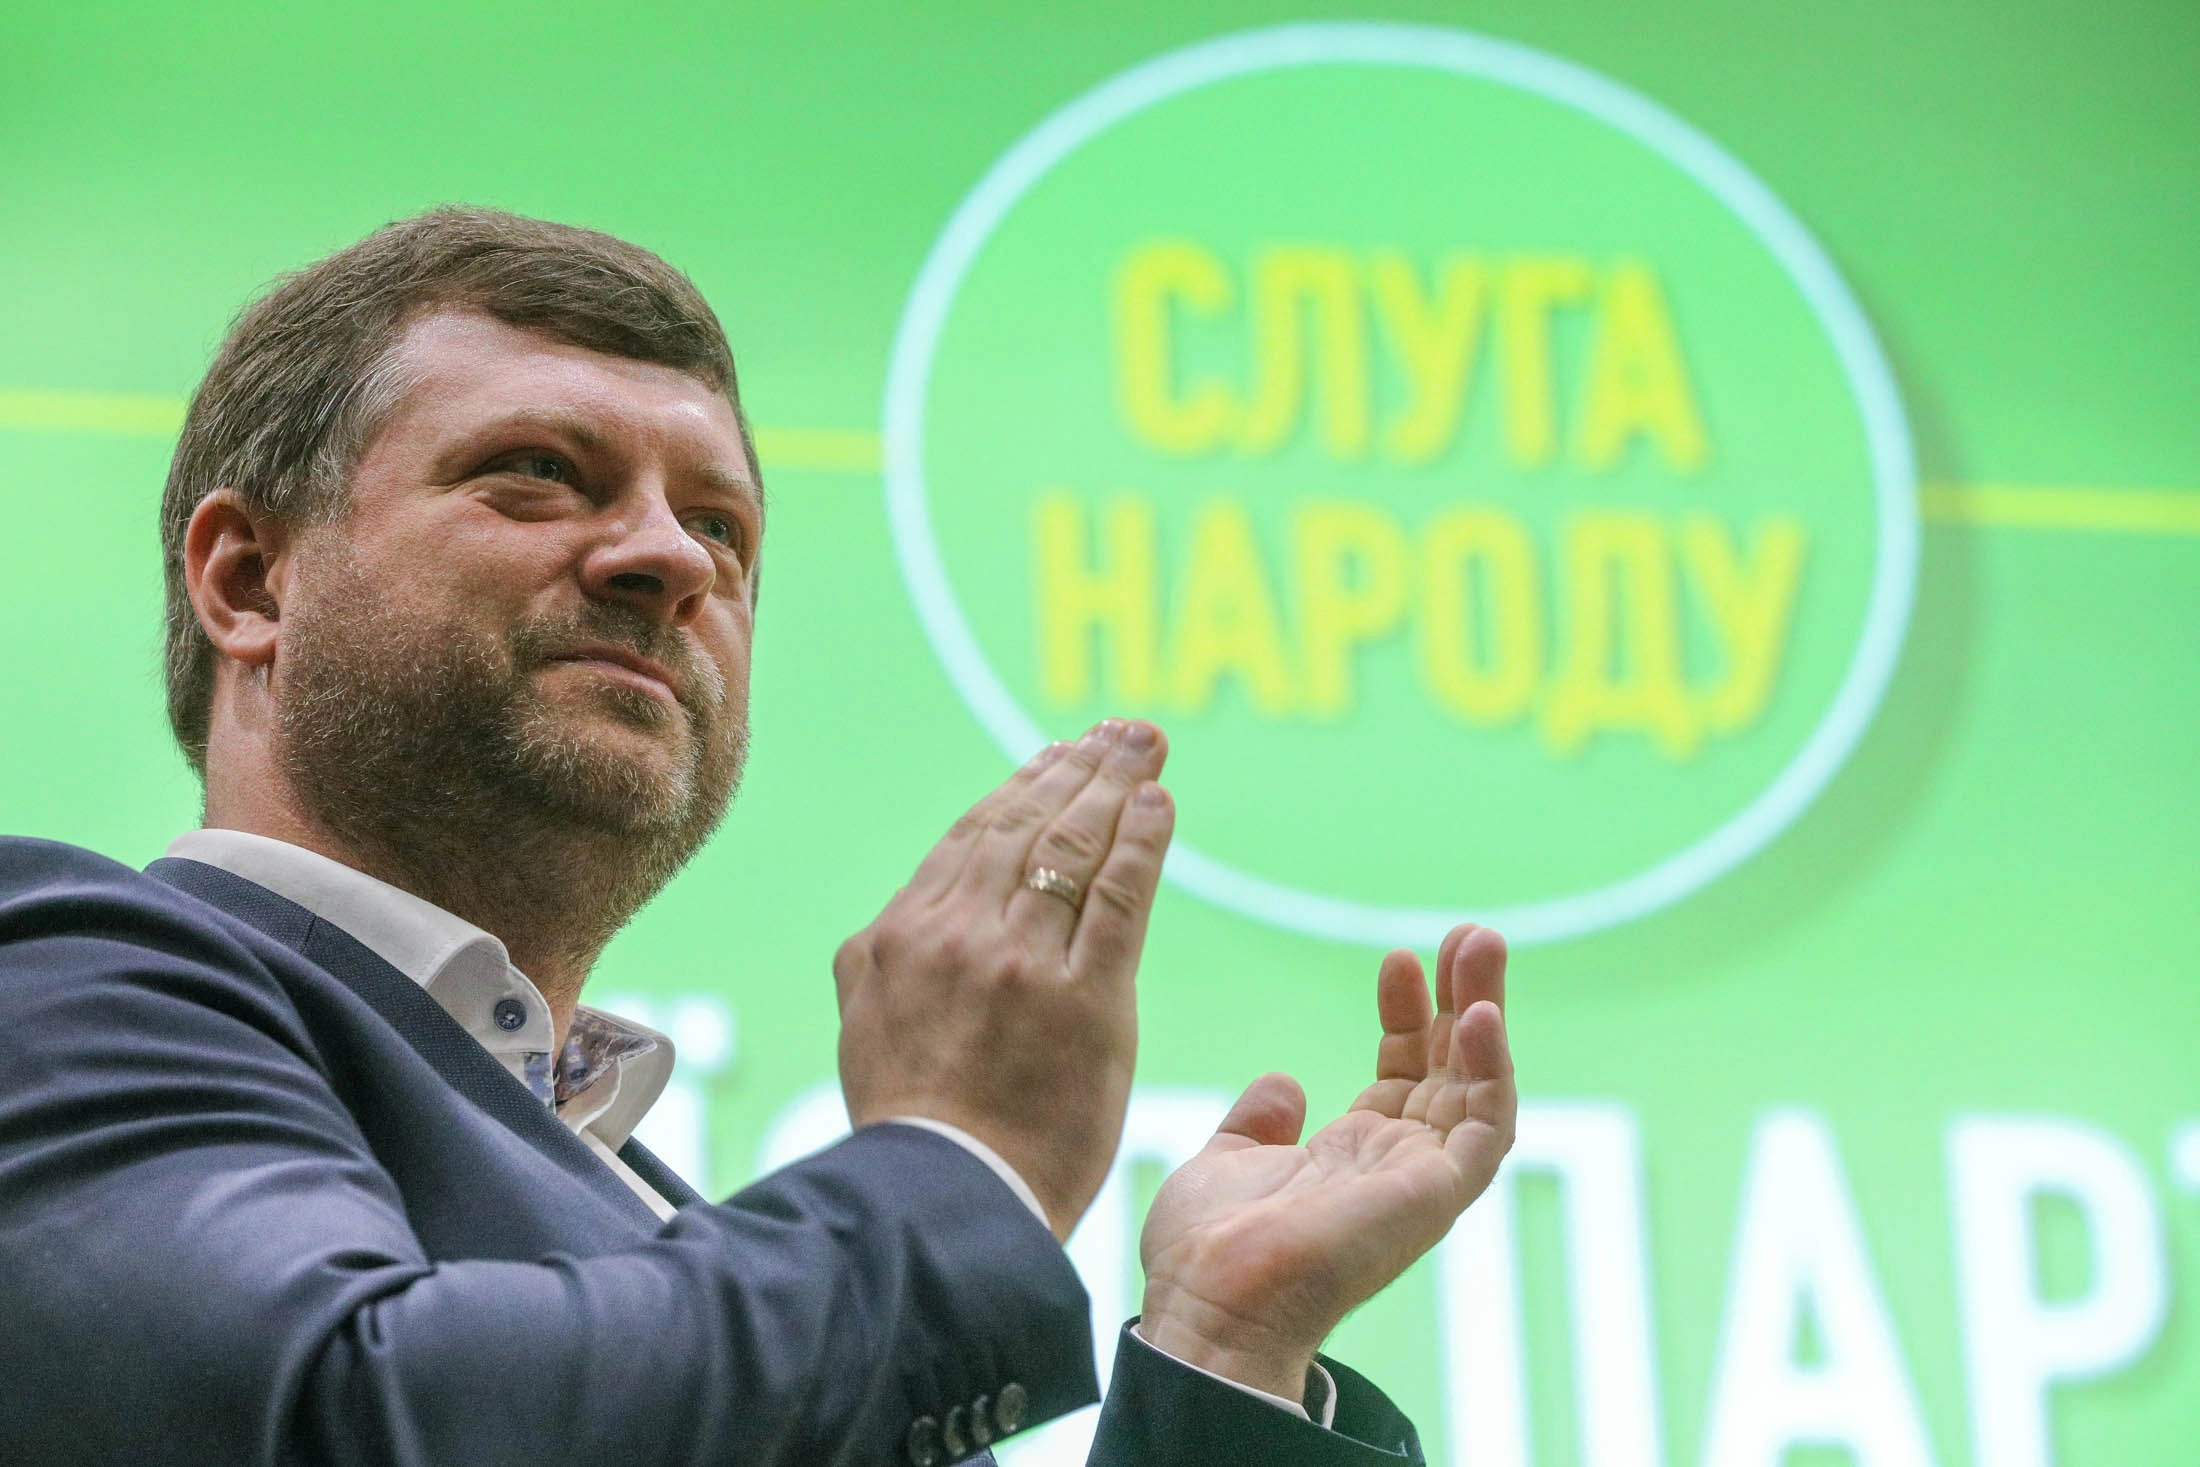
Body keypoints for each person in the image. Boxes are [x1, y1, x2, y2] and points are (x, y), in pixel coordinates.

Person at [0, 207, 1515, 1466]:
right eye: (539, 471)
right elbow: (343, 1422)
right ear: (251, 579)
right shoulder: (58, 985)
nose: (671, 557)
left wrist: (1219, 1354)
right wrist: (959, 1159)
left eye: (721, 527)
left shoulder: (702, 1254)